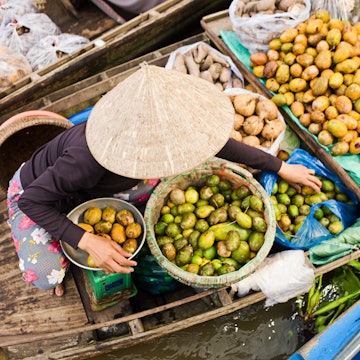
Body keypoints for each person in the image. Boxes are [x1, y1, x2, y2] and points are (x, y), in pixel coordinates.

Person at [6, 66, 322, 297]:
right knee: (47, 275)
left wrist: (279, 166)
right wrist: (87, 241)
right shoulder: (87, 156)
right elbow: (31, 200)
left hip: (99, 193)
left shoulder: (167, 132)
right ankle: (55, 251)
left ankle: (74, 237)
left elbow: (217, 145)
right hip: (38, 196)